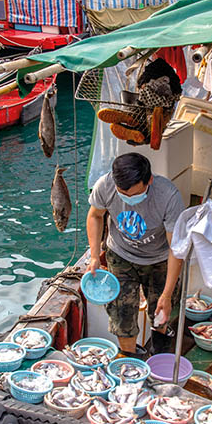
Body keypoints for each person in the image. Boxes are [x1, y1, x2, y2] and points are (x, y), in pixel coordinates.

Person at [85, 152, 185, 357]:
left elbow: (176, 249)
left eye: (135, 194)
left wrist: (167, 295)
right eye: (124, 194)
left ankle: (159, 352)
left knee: (160, 311)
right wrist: (94, 255)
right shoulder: (105, 185)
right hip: (120, 254)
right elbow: (95, 216)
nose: (129, 200)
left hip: (159, 259)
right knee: (121, 313)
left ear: (149, 180)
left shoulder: (169, 197)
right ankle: (129, 358)